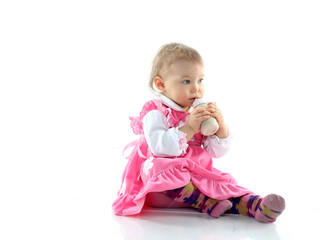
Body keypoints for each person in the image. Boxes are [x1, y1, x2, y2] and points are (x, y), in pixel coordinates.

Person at [112, 43, 285, 222]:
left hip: (195, 181)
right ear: (161, 84)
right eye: (186, 81)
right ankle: (206, 202)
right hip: (164, 189)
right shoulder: (156, 112)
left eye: (200, 80)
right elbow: (159, 149)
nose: (196, 89)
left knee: (222, 185)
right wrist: (190, 128)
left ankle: (256, 206)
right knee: (155, 167)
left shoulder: (197, 110)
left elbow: (215, 152)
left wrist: (220, 128)